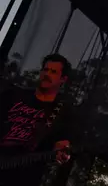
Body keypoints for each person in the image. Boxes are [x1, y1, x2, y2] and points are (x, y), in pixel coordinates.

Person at [0, 54, 74, 186]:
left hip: (24, 178)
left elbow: (63, 143)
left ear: (63, 79)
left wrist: (62, 151)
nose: (47, 74)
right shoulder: (13, 95)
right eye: (45, 70)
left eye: (53, 72)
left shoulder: (63, 112)